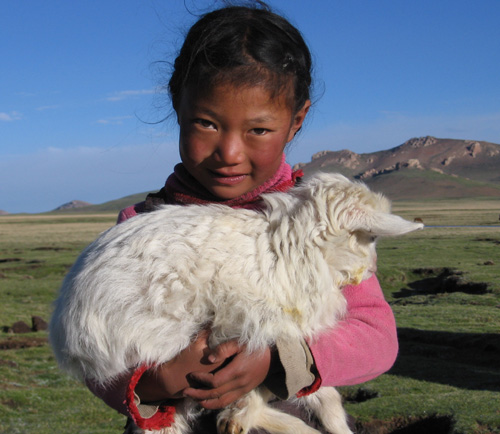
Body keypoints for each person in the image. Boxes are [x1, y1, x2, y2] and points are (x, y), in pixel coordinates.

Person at [85, 3, 398, 433]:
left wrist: (278, 358)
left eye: (258, 130)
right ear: (178, 105)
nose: (229, 153)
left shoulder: (325, 226)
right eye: (207, 123)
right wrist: (151, 381)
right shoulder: (142, 228)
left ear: (296, 121)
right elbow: (92, 340)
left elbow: (376, 337)